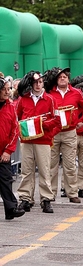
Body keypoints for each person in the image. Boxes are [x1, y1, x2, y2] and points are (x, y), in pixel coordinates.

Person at [16, 71, 62, 213]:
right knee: (26, 170)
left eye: (40, 82)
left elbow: (57, 120)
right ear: (31, 83)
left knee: (44, 170)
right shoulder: (23, 99)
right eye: (35, 82)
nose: (38, 84)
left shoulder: (50, 100)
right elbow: (16, 118)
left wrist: (43, 125)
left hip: (43, 140)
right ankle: (25, 198)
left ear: (43, 83)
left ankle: (46, 199)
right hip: (27, 140)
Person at [48, 67, 83, 203]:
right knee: (51, 164)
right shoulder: (49, 94)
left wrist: (82, 121)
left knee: (70, 164)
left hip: (70, 132)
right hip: (53, 132)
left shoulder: (77, 93)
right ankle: (50, 193)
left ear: (68, 78)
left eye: (65, 76)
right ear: (56, 80)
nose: (62, 78)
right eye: (60, 77)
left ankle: (72, 193)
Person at [0, 77, 25, 220]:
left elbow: (15, 131)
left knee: (6, 179)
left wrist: (8, 151)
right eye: (4, 89)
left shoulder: (10, 106)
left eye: (8, 89)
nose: (8, 92)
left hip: (4, 153)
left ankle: (11, 208)